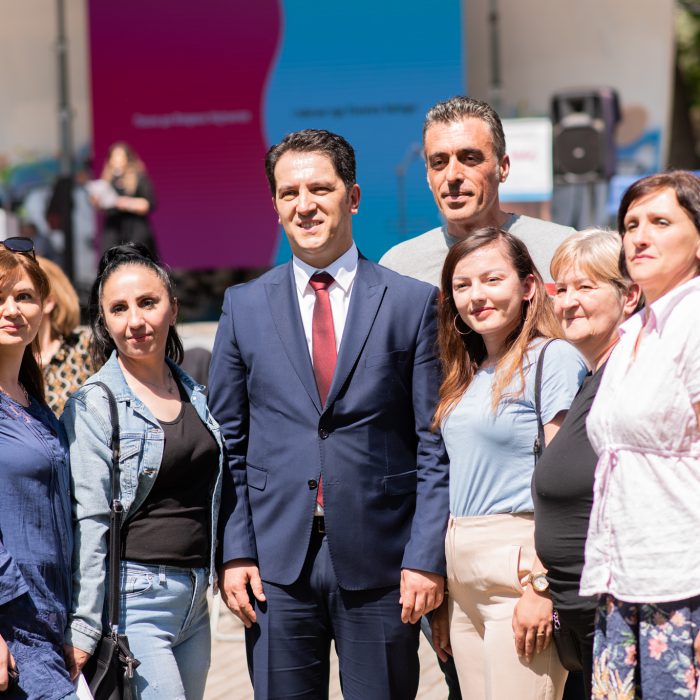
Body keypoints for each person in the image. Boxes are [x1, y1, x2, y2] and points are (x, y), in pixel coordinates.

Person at [209, 129, 449, 699]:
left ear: (353, 197)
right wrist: (235, 551)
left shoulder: (411, 303)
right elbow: (228, 445)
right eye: (289, 193)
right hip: (274, 568)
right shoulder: (243, 307)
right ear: (274, 206)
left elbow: (432, 442)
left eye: (320, 188)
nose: (305, 205)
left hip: (383, 563)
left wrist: (425, 557)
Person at [429, 227, 588, 699]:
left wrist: (541, 585)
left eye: (492, 279)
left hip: (519, 568)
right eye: (462, 285)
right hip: (462, 572)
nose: (476, 296)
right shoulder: (466, 371)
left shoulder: (553, 359)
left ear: (529, 287)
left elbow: (567, 483)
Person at [61, 243, 224, 700]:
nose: (135, 320)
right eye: (119, 308)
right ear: (104, 321)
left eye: (147, 302)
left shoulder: (196, 393)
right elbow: (91, 522)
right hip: (136, 600)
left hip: (196, 600)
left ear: (173, 308)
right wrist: (84, 627)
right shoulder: (94, 405)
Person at [579, 171, 700, 698]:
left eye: (660, 222)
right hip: (622, 578)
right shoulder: (635, 331)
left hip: (684, 587)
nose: (639, 237)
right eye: (630, 224)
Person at [532, 230, 640, 698]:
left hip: (624, 613)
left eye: (586, 287)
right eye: (561, 288)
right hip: (584, 617)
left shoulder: (634, 378)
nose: (568, 302)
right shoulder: (594, 379)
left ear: (629, 296)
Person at [379, 95, 574, 286]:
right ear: (428, 175)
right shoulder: (399, 269)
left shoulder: (561, 249)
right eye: (439, 162)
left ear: (503, 168)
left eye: (470, 159)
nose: (452, 175)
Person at [0, 238, 77, 700]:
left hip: (50, 620)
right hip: (13, 627)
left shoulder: (35, 405)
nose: (12, 309)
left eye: (24, 296)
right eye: (0, 296)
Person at [35, 256, 96, 414]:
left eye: (23, 296)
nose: (11, 308)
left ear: (48, 302)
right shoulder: (9, 361)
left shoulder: (85, 345)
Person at [96, 142, 158, 256]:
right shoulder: (107, 181)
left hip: (135, 228)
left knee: (135, 259)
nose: (117, 160)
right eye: (114, 157)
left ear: (128, 159)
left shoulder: (140, 178)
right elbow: (102, 206)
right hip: (113, 229)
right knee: (111, 259)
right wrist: (97, 201)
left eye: (120, 156)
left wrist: (124, 203)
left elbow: (148, 204)